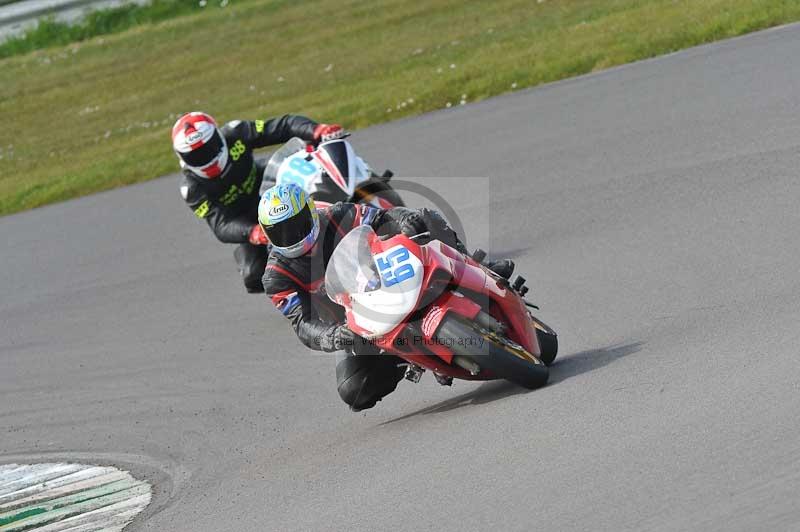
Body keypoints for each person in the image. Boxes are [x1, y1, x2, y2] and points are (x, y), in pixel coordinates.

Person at [259, 183, 515, 411]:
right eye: (280, 232)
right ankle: (408, 358)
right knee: (354, 389)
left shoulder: (336, 214)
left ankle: (478, 267)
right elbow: (302, 323)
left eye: (297, 225)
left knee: (424, 217)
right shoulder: (276, 277)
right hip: (355, 324)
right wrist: (332, 335)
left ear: (311, 212)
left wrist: (405, 220)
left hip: (390, 275)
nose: (291, 237)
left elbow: (382, 216)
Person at [172, 111, 345, 293]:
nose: (205, 158)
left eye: (208, 149)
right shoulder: (191, 188)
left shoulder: (236, 132)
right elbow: (221, 225)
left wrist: (314, 129)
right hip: (247, 219)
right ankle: (303, 294)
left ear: (218, 136)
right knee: (253, 275)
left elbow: (283, 126)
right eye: (195, 156)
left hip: (271, 186)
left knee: (314, 174)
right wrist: (252, 231)